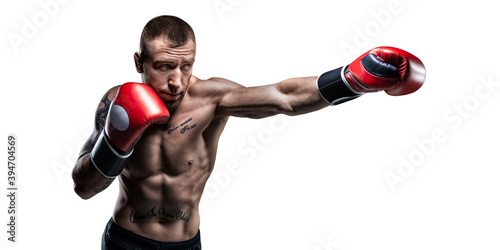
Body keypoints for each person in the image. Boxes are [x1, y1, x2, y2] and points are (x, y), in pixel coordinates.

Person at [72, 15, 425, 250]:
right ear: (139, 62)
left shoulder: (211, 98)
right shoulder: (115, 102)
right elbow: (83, 187)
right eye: (164, 67)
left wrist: (350, 79)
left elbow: (283, 97)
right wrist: (115, 144)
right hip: (126, 242)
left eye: (186, 65)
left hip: (185, 243)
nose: (176, 80)